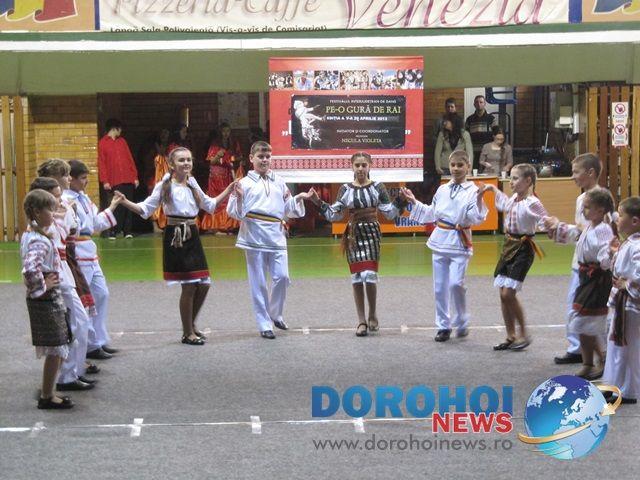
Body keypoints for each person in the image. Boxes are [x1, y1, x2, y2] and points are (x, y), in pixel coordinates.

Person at [117, 147, 236, 345]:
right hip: (176, 237)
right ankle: (188, 333)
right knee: (189, 286)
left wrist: (229, 189)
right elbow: (145, 209)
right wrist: (125, 202)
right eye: (181, 160)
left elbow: (210, 205)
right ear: (171, 164)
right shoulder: (164, 185)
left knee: (204, 284)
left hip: (193, 235)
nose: (186, 163)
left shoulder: (192, 183)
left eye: (189, 159)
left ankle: (191, 324)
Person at [308, 152, 406, 337]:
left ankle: (373, 314)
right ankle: (361, 320)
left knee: (370, 275)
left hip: (372, 233)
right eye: (357, 165)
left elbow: (389, 213)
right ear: (352, 167)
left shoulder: (378, 187)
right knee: (357, 277)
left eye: (364, 165)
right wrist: (317, 202)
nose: (360, 168)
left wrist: (401, 200)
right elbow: (334, 215)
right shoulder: (345, 189)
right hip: (354, 235)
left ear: (370, 166)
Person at [226, 141, 312, 339]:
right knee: (258, 283)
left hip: (276, 234)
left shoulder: (279, 181)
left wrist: (299, 198)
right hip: (253, 235)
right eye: (260, 157)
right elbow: (234, 213)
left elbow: (288, 207)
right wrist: (239, 198)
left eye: (267, 157)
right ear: (251, 158)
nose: (264, 160)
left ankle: (275, 314)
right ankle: (264, 323)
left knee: (282, 277)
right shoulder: (243, 184)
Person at [401, 150, 489, 342]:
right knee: (440, 288)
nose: (456, 168)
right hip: (440, 241)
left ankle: (462, 320)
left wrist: (479, 198)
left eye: (460, 165)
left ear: (468, 166)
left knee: (456, 284)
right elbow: (432, 213)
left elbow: (476, 218)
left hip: (459, 242)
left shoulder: (473, 191)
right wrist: (414, 201)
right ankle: (443, 326)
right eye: (453, 165)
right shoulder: (442, 189)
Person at [549, 189, 616, 380]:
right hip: (586, 277)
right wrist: (556, 226)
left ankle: (601, 359)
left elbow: (605, 256)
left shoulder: (603, 230)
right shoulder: (590, 227)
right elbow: (576, 236)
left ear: (600, 210)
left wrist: (608, 256)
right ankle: (588, 362)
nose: (584, 211)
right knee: (582, 321)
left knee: (587, 321)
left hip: (597, 279)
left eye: (587, 207)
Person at [544, 153, 603, 365]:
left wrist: (561, 227)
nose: (572, 177)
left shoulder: (602, 198)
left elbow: (592, 233)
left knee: (590, 311)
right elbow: (579, 232)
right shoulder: (581, 199)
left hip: (594, 266)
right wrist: (558, 229)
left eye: (576, 172)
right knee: (575, 307)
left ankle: (599, 353)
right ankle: (578, 349)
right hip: (579, 262)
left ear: (591, 172)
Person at [484, 164, 547, 351]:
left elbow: (545, 219)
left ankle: (523, 334)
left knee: (508, 293)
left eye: (515, 178)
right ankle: (510, 335)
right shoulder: (513, 198)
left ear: (528, 181)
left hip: (523, 249)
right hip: (508, 246)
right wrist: (492, 189)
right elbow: (504, 203)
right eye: (511, 178)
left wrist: (555, 227)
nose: (511, 182)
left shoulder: (532, 203)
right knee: (502, 294)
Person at [63, 160, 121, 360]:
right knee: (85, 300)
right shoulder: (66, 200)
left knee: (101, 294)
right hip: (78, 250)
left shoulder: (84, 198)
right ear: (70, 179)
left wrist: (113, 206)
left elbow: (96, 223)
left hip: (90, 250)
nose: (86, 181)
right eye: (82, 178)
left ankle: (99, 340)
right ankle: (88, 345)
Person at [21, 189, 74, 409]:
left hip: (46, 298)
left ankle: (48, 389)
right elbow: (29, 269)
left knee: (60, 343)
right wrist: (44, 286)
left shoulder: (32, 235)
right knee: (56, 346)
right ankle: (47, 395)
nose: (53, 214)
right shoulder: (39, 241)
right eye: (50, 210)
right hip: (46, 300)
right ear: (36, 212)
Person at [602, 196, 640, 405]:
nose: (617, 218)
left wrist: (628, 285)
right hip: (621, 303)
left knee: (627, 346)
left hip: (630, 305)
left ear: (634, 221)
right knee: (617, 345)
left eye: (621, 215)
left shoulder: (637, 245)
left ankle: (628, 390)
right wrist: (614, 252)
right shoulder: (630, 243)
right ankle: (614, 384)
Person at [98, 118, 139, 239]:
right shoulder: (103, 143)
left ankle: (127, 231)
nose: (121, 131)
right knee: (116, 205)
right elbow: (102, 163)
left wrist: (135, 176)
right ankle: (113, 231)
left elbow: (129, 159)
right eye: (119, 128)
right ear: (114, 128)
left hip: (128, 177)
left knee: (129, 205)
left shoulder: (122, 141)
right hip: (114, 179)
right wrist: (105, 180)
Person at [200, 123, 243, 233]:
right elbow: (211, 161)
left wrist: (234, 159)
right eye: (224, 131)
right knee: (217, 199)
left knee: (227, 198)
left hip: (228, 174)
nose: (226, 133)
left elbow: (239, 156)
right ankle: (215, 226)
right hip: (216, 176)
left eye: (228, 131)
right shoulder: (214, 145)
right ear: (220, 132)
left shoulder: (233, 143)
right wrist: (218, 155)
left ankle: (227, 226)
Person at [465, 95, 497, 169]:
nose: (479, 104)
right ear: (474, 104)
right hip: (473, 150)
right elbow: (466, 135)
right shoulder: (469, 119)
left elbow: (496, 134)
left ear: (484, 104)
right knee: (474, 171)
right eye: (477, 102)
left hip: (487, 151)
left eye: (481, 102)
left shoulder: (491, 118)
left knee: (487, 171)